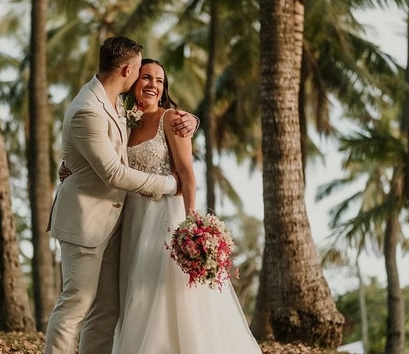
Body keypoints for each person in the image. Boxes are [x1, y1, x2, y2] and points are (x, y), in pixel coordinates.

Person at [43, 37, 197, 354]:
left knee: (106, 310)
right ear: (128, 70)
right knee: (76, 303)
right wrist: (170, 185)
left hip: (116, 222)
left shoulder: (116, 103)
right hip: (86, 221)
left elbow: (156, 126)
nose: (147, 78)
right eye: (141, 71)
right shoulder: (88, 108)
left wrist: (193, 119)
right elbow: (113, 172)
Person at [111, 59, 262, 354]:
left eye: (159, 80)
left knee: (168, 294)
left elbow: (187, 175)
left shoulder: (172, 119)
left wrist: (192, 223)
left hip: (165, 218)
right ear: (132, 83)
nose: (153, 85)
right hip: (133, 220)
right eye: (146, 77)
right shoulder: (124, 122)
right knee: (138, 295)